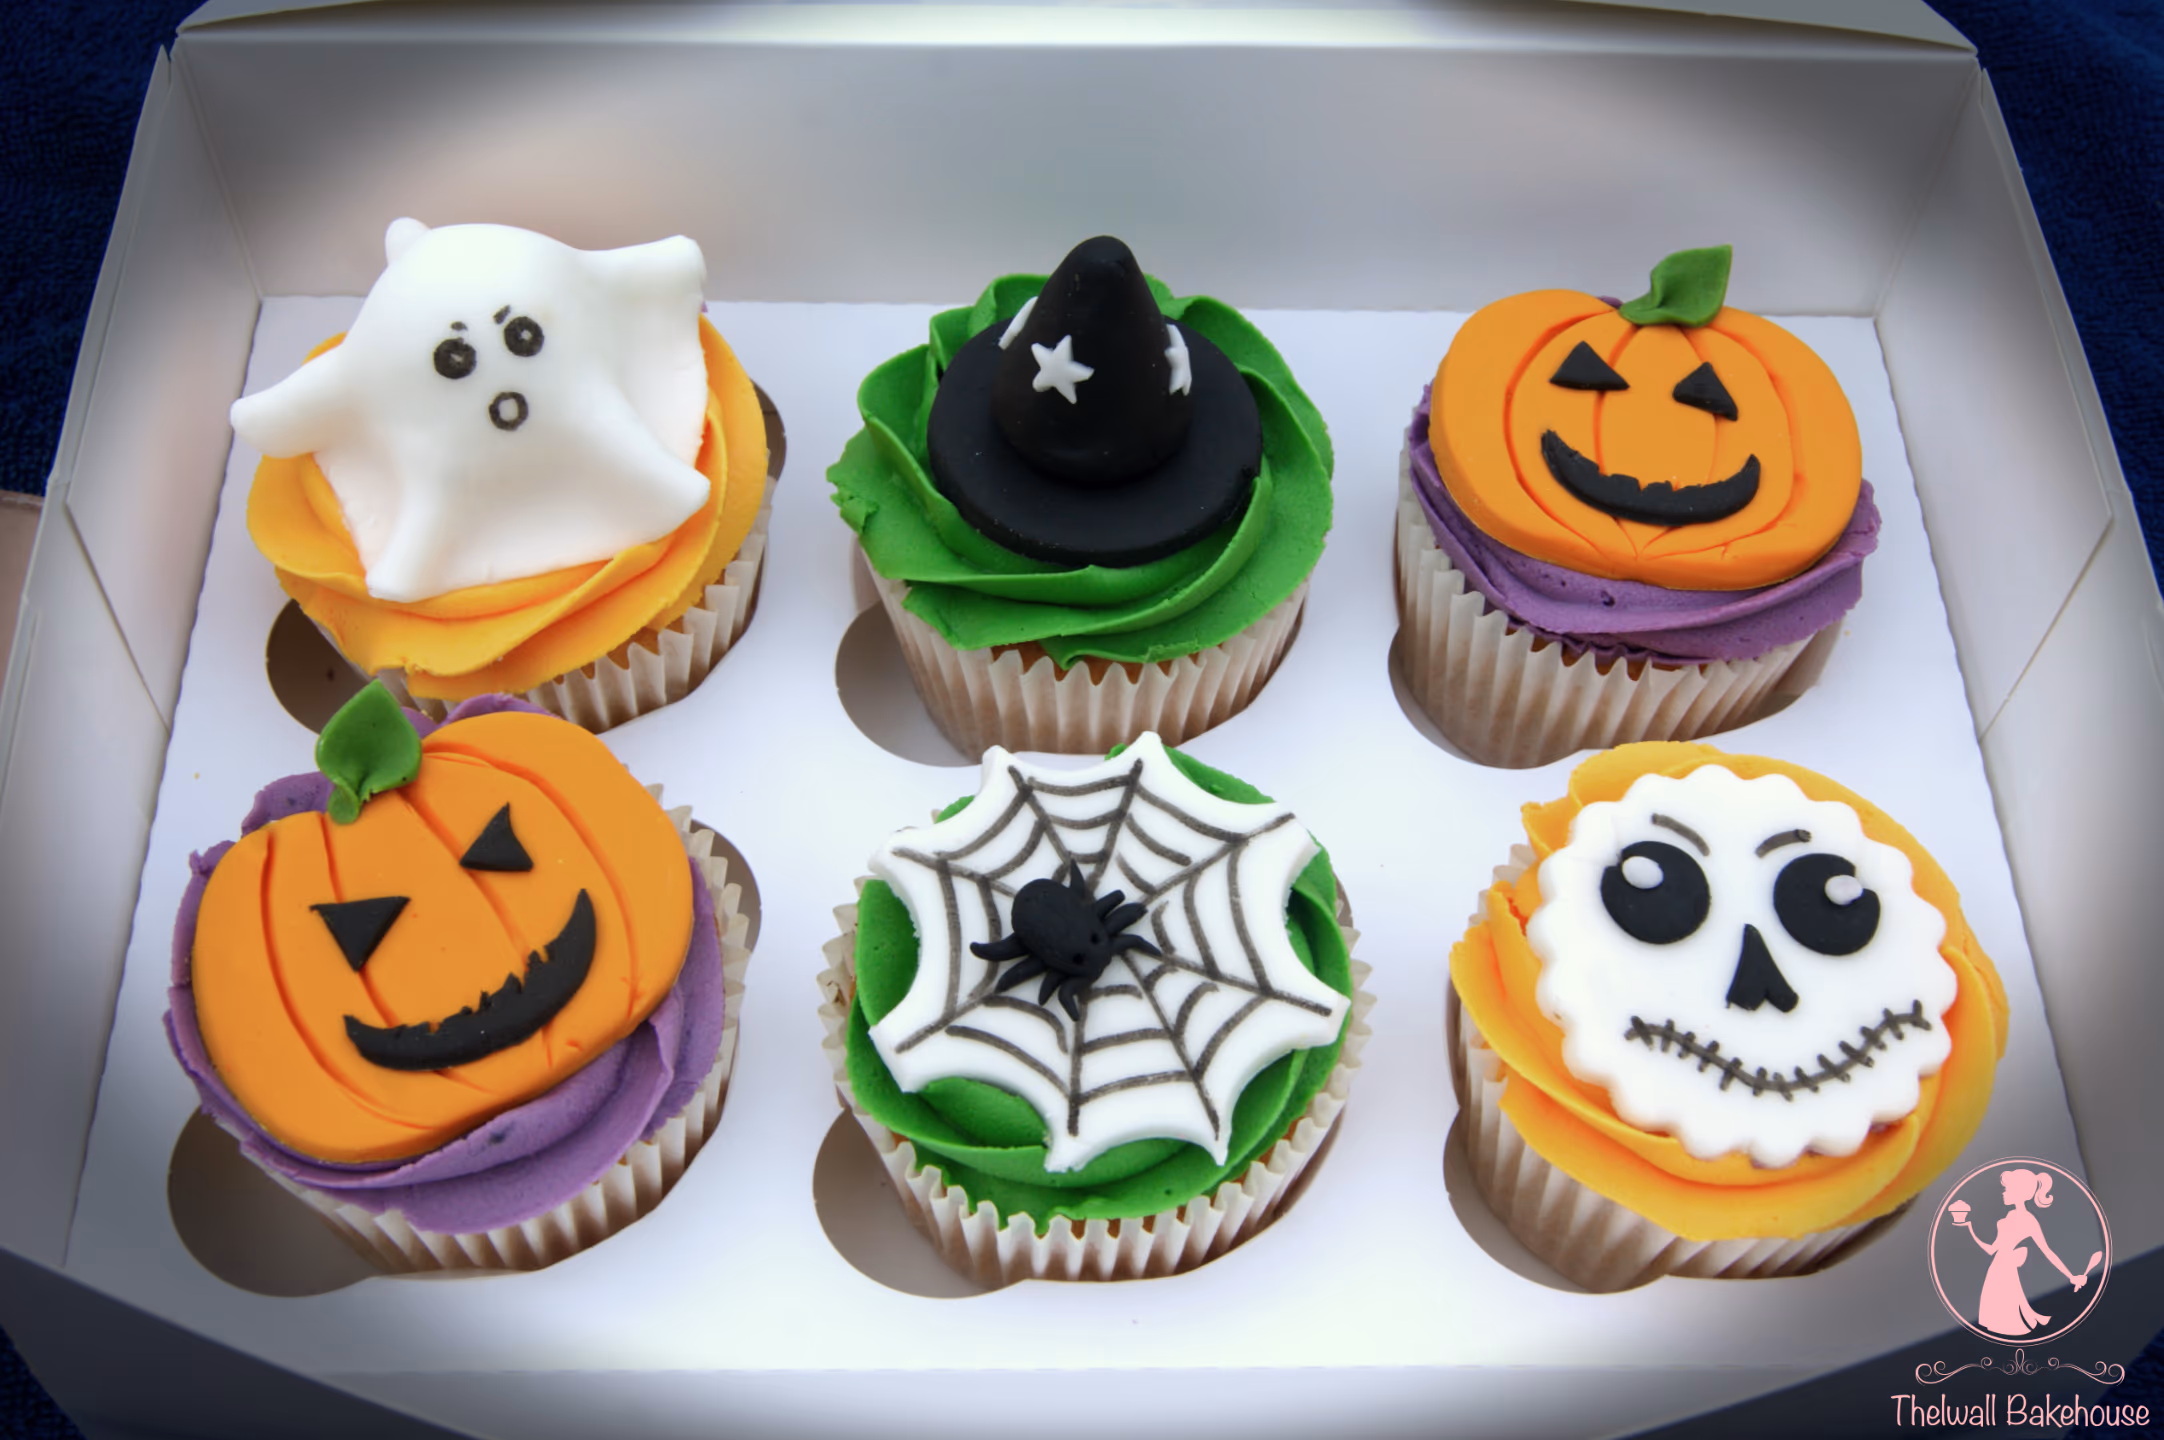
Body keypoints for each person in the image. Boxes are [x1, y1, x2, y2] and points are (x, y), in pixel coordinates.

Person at [1954, 1168, 2085, 1337]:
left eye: (2007, 1189)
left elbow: (2047, 1251)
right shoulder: (2005, 1219)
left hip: (2006, 1271)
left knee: (2005, 1323)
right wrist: (1970, 1228)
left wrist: (2072, 1275)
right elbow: (1992, 1249)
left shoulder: (2029, 1220)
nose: (2004, 1193)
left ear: (2019, 1192)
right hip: (1996, 1269)